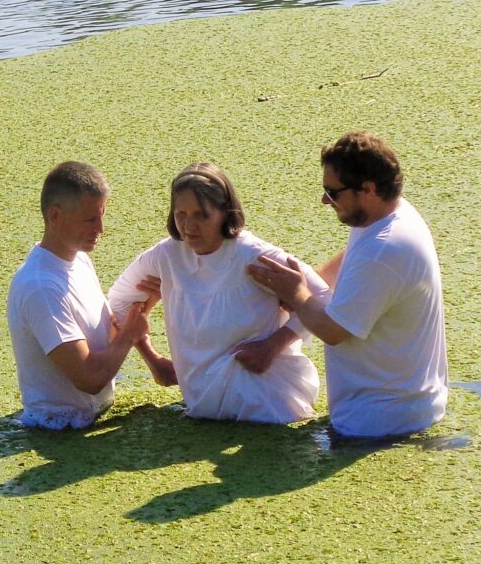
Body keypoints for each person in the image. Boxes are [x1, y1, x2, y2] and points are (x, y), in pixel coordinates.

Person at [247, 131, 448, 438]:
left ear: (367, 189)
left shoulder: (385, 249)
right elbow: (352, 264)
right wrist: (309, 283)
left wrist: (297, 293)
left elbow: (334, 330)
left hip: (381, 422)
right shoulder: (387, 217)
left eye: (333, 192)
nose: (325, 200)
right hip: (402, 409)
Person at [107, 162, 331, 424]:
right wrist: (154, 360)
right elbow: (118, 303)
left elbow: (325, 299)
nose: (189, 226)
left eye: (201, 215)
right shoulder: (166, 256)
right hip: (202, 407)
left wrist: (273, 345)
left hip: (267, 404)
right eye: (181, 214)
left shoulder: (254, 256)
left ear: (224, 212)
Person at [6, 161, 150, 430]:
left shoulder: (80, 260)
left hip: (94, 418)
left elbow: (104, 338)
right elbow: (89, 378)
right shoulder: (41, 287)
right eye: (90, 219)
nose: (101, 229)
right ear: (55, 217)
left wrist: (140, 308)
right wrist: (130, 335)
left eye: (102, 215)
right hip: (57, 429)